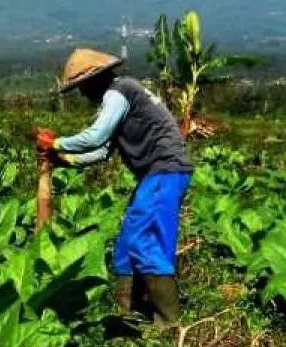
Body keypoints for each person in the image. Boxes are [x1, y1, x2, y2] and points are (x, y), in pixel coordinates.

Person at [37, 48, 193, 324]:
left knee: (144, 240)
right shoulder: (119, 98)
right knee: (126, 244)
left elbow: (96, 137)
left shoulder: (118, 93)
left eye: (81, 88)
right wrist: (65, 160)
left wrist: (56, 143)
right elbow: (102, 151)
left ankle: (168, 323)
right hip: (157, 174)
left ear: (92, 81)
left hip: (164, 170)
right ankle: (127, 314)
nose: (83, 95)